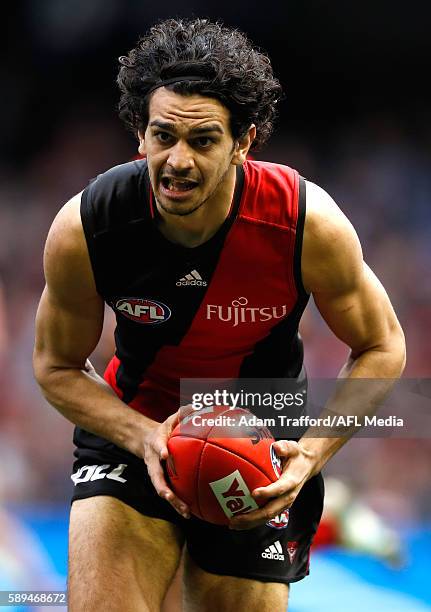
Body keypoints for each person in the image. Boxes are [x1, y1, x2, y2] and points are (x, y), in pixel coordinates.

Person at [33, 18, 406, 612]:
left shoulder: (306, 224)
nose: (177, 161)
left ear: (244, 141)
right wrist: (144, 436)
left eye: (202, 140)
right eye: (163, 136)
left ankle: (339, 513)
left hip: (257, 442)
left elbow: (384, 346)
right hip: (137, 427)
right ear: (141, 136)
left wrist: (310, 453)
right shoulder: (88, 227)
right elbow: (55, 366)